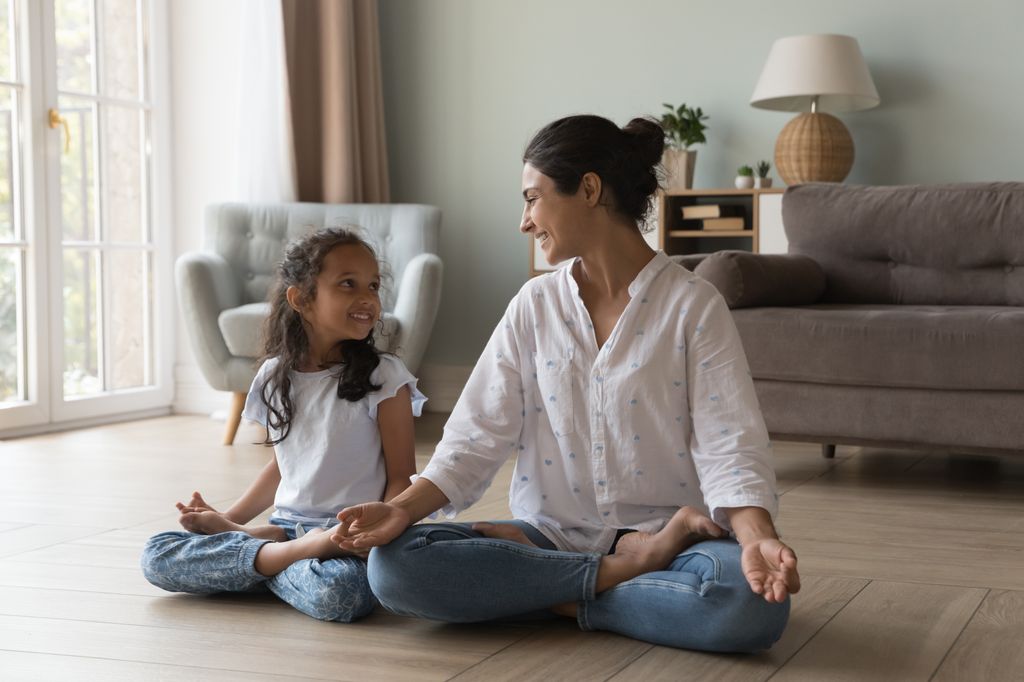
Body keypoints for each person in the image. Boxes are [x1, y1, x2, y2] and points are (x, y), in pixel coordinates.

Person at [330, 115, 800, 652]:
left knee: (749, 605)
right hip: (547, 535)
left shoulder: (693, 307)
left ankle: (555, 590)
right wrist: (402, 510)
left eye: (533, 198)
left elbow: (729, 445)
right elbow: (474, 438)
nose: (524, 221)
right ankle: (612, 579)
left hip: (672, 539)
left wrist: (757, 536)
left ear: (590, 189)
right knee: (395, 568)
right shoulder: (533, 306)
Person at [141, 228, 425, 622]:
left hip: (345, 539)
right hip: (286, 528)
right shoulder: (274, 375)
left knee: (345, 594)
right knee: (156, 555)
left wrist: (378, 530)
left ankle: (261, 558)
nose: (368, 298)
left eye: (373, 285)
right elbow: (283, 465)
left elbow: (401, 476)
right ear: (301, 300)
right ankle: (289, 554)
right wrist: (231, 521)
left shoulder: (386, 377)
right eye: (348, 284)